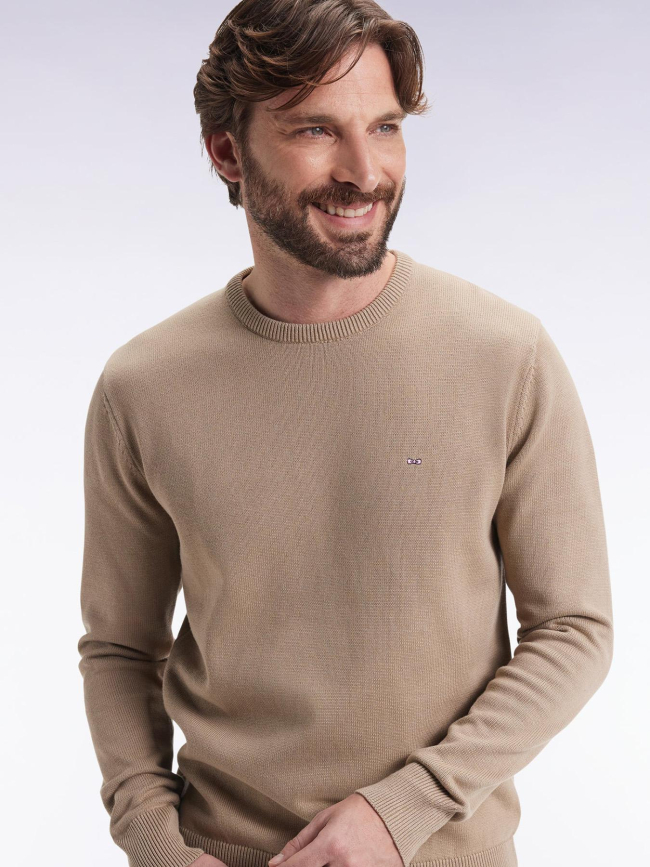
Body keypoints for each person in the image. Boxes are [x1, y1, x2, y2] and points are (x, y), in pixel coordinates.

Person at [77, 2, 614, 867]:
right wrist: (152, 839)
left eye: (386, 127)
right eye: (317, 130)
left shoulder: (505, 355)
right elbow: (119, 647)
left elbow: (574, 629)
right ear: (227, 152)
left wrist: (401, 810)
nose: (365, 172)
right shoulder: (143, 386)